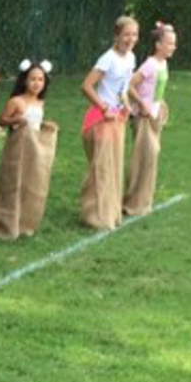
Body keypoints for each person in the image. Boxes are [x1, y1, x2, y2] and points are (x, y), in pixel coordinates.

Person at [79, 15, 139, 229]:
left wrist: (126, 105)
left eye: (134, 34)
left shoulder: (131, 58)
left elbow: (122, 87)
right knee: (102, 168)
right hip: (100, 119)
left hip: (117, 118)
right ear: (116, 35)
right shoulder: (108, 58)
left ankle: (108, 212)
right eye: (126, 34)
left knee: (113, 166)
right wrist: (104, 108)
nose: (130, 39)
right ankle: (94, 215)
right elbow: (86, 86)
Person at [0, 59, 59, 240]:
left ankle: (25, 221)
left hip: (33, 148)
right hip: (17, 147)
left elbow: (35, 123)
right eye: (33, 79)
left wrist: (45, 124)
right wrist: (15, 120)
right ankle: (6, 221)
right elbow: (1, 120)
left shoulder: (40, 103)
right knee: (13, 182)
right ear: (24, 80)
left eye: (41, 80)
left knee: (30, 182)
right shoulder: (17, 101)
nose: (37, 83)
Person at [124, 22, 177, 217]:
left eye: (174, 44)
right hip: (143, 118)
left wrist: (158, 102)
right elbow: (129, 86)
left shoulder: (163, 63)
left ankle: (144, 202)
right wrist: (141, 104)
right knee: (143, 159)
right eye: (170, 43)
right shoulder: (150, 65)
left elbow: (155, 90)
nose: (173, 47)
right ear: (158, 45)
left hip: (155, 118)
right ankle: (133, 203)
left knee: (151, 159)